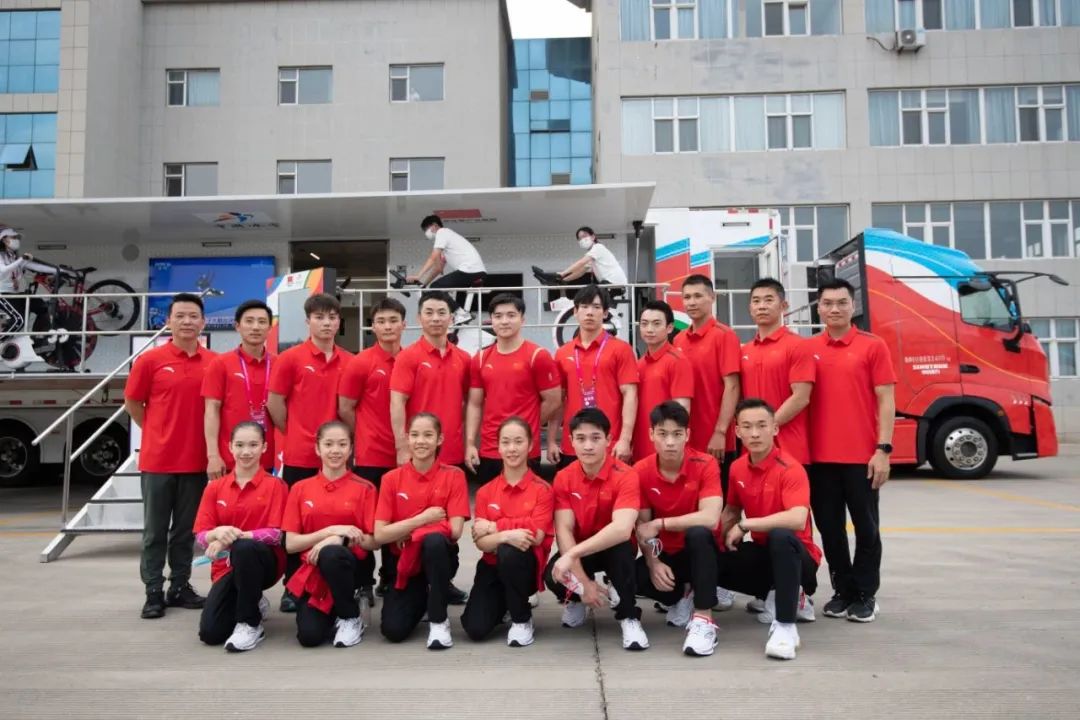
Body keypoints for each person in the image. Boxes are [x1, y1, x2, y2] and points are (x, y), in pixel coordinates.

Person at [807, 278, 896, 623]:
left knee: (867, 529)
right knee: (830, 530)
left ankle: (865, 594)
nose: (835, 309)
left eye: (842, 302)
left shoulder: (873, 346)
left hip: (862, 458)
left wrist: (883, 449)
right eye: (828, 303)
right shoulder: (808, 348)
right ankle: (842, 591)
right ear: (819, 308)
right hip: (820, 459)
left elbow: (886, 399)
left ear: (853, 306)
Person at [123, 292, 215, 619]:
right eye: (180, 316)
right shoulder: (150, 361)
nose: (187, 321)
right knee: (155, 532)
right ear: (168, 321)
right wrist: (156, 430)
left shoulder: (214, 362)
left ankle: (179, 586)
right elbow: (133, 403)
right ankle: (153, 591)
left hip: (197, 462)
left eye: (193, 316)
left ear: (203, 322)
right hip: (158, 462)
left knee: (186, 532)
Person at [266, 292, 354, 612]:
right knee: (297, 524)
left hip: (338, 456)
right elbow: (275, 404)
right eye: (319, 317)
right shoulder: (290, 358)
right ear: (308, 321)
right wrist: (295, 433)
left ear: (339, 322)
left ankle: (341, 582)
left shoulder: (350, 361)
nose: (326, 323)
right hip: (300, 455)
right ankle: (293, 587)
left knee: (339, 517)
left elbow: (351, 408)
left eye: (332, 317)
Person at [720, 399, 822, 660]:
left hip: (799, 559)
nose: (754, 433)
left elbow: (797, 519)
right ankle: (772, 593)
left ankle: (786, 626)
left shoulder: (791, 469)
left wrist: (745, 525)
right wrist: (715, 538)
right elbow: (731, 510)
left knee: (780, 536)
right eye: (747, 427)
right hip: (765, 554)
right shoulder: (737, 468)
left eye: (762, 425)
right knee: (709, 551)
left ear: (775, 428)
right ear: (737, 431)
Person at [389, 290, 471, 606]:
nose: (436, 319)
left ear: (451, 317)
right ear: (419, 318)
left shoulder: (463, 359)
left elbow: (471, 404)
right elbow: (397, 402)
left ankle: (443, 581)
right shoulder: (408, 357)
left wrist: (469, 443)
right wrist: (402, 447)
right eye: (429, 312)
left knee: (447, 525)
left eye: (441, 313)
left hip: (450, 455)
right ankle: (401, 580)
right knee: (410, 519)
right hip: (418, 453)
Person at [544, 408, 648, 651]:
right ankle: (578, 599)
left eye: (595, 438)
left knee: (621, 552)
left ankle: (629, 616)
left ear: (609, 440)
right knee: (553, 575)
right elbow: (564, 530)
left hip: (615, 546)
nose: (588, 446)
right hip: (582, 549)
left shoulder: (626, 475)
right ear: (571, 441)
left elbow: (622, 529)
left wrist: (571, 555)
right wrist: (583, 583)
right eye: (581, 439)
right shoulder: (564, 478)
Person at [632, 401, 723, 657]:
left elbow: (711, 518)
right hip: (666, 555)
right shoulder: (641, 470)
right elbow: (643, 528)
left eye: (677, 434)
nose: (670, 442)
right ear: (651, 434)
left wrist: (661, 523)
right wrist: (653, 563)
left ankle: (704, 619)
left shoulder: (706, 464)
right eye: (662, 434)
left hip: (701, 553)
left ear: (688, 435)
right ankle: (682, 594)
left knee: (699, 533)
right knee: (628, 579)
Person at [671, 274, 740, 611]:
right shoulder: (678, 340)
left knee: (719, 515)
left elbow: (732, 386)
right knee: (690, 515)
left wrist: (720, 430)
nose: (692, 302)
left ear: (712, 298)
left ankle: (721, 582)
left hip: (716, 443)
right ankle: (690, 581)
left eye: (699, 296)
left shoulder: (724, 336)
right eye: (687, 297)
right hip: (687, 445)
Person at [375, 413, 471, 649]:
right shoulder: (391, 479)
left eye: (428, 435)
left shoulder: (454, 476)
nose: (421, 441)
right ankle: (423, 599)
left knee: (435, 541)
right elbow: (380, 534)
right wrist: (422, 520)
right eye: (415, 435)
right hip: (404, 565)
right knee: (393, 630)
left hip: (439, 559)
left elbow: (455, 530)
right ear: (407, 438)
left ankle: (439, 620)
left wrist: (408, 533)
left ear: (440, 439)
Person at [281, 421, 380, 649]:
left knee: (332, 553)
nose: (335, 450)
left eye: (342, 444)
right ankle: (333, 613)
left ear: (351, 448)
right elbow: (291, 544)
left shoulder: (365, 488)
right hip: (312, 574)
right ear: (317, 448)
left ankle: (349, 616)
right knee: (309, 637)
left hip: (348, 570)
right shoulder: (300, 488)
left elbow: (373, 542)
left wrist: (340, 540)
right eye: (328, 444)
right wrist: (330, 532)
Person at [195, 422, 289, 652]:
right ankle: (254, 599)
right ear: (230, 447)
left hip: (264, 563)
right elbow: (201, 535)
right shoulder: (215, 488)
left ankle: (250, 624)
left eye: (253, 445)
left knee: (244, 547)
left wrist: (236, 536)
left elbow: (277, 534)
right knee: (211, 633)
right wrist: (216, 533)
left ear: (264, 447)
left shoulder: (276, 486)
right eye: (239, 445)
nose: (246, 451)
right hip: (226, 567)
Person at [462, 417, 554, 647]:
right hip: (492, 568)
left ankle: (522, 619)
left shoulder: (542, 489)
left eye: (518, 442)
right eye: (506, 442)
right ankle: (504, 604)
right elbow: (481, 543)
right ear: (498, 447)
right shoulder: (485, 492)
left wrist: (494, 528)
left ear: (530, 445)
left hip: (524, 566)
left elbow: (536, 536)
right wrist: (507, 535)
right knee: (475, 628)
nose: (512, 448)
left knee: (508, 552)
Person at [338, 297, 407, 597]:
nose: (388, 326)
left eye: (393, 321)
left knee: (398, 521)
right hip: (370, 457)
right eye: (381, 321)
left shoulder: (411, 360)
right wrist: (366, 434)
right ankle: (363, 581)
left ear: (404, 324)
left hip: (405, 457)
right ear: (373, 326)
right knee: (365, 523)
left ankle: (390, 578)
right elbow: (345, 407)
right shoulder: (361, 362)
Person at [465, 293, 561, 485]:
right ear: (491, 320)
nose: (504, 321)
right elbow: (474, 405)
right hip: (491, 448)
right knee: (491, 501)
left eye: (511, 315)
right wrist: (470, 443)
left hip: (525, 449)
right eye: (498, 316)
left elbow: (554, 400)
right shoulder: (480, 359)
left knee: (526, 501)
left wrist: (526, 426)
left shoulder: (537, 356)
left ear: (522, 319)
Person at [549, 285, 638, 469]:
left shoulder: (621, 349)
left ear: (605, 313)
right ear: (575, 312)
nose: (590, 312)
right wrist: (551, 441)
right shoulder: (563, 353)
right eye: (584, 306)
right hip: (573, 445)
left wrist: (625, 439)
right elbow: (559, 400)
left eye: (596, 307)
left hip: (610, 444)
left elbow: (630, 394)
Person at [740, 279, 814, 467]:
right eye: (756, 301)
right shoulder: (744, 351)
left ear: (783, 305)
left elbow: (801, 397)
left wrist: (766, 428)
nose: (761, 306)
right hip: (751, 449)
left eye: (768, 300)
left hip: (790, 449)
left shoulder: (798, 345)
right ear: (750, 308)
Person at [202, 300, 276, 478]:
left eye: (262, 322)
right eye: (249, 321)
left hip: (270, 459)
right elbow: (211, 410)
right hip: (230, 459)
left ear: (269, 328)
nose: (255, 327)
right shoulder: (221, 364)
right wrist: (213, 456)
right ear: (237, 326)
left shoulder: (280, 364)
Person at [633, 300, 693, 462]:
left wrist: (671, 444)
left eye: (656, 324)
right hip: (640, 447)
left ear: (670, 328)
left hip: (666, 450)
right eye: (644, 324)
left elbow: (682, 410)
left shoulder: (678, 361)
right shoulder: (639, 364)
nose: (649, 329)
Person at [412, 214, 487, 324]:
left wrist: (418, 276)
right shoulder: (445, 245)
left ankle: (460, 313)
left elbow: (432, 257)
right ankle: (460, 314)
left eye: (426, 229)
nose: (426, 233)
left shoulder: (442, 232)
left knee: (436, 287)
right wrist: (424, 284)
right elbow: (438, 269)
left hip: (470, 270)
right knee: (436, 288)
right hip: (475, 272)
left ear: (434, 226)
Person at [0, 227, 49, 337]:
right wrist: (21, 259)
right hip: (3, 295)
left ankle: (37, 338)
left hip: (16, 294)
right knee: (19, 320)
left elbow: (37, 267)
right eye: (14, 237)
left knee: (41, 306)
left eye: (17, 238)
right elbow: (3, 270)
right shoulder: (1, 256)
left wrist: (61, 271)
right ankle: (2, 340)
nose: (17, 240)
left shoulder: (13, 257)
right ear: (4, 240)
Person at [554, 226, 629, 287]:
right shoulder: (592, 255)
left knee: (590, 294)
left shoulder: (598, 247)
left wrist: (562, 274)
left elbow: (581, 262)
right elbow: (580, 272)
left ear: (593, 237)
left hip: (615, 282)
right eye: (579, 239)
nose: (582, 240)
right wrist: (565, 280)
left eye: (584, 236)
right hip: (608, 283)